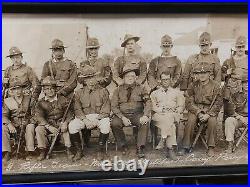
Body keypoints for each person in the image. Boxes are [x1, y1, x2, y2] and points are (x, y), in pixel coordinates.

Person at [180, 61, 223, 157]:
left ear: (209, 74)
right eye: (199, 73)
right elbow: (189, 102)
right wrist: (198, 112)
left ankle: (211, 147)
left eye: (204, 73)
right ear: (197, 75)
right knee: (190, 120)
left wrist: (208, 114)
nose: (202, 75)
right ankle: (185, 146)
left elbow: (218, 103)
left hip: (210, 110)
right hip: (196, 109)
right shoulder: (192, 85)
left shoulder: (216, 86)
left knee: (212, 121)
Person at [68, 68, 111, 160]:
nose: (90, 81)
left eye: (92, 78)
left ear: (96, 78)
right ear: (84, 80)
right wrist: (85, 120)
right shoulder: (79, 92)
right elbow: (77, 109)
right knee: (72, 125)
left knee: (106, 124)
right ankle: (79, 151)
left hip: (99, 117)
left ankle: (100, 150)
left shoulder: (103, 91)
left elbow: (106, 109)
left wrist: (97, 120)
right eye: (87, 78)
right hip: (84, 117)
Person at [111, 69, 151, 158]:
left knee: (144, 122)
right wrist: (122, 117)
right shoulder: (118, 90)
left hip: (137, 114)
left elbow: (148, 102)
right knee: (114, 123)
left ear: (136, 77)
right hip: (122, 115)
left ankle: (140, 147)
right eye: (128, 76)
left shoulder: (142, 88)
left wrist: (145, 115)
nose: (130, 78)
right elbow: (114, 106)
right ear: (124, 78)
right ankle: (123, 145)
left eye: (133, 76)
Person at [34, 76, 74, 161]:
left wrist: (66, 122)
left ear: (55, 89)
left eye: (52, 88)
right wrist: (48, 126)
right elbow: (39, 116)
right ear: (44, 90)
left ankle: (68, 149)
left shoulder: (63, 99)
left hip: (61, 122)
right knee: (38, 129)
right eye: (47, 89)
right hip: (48, 124)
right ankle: (42, 150)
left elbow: (70, 112)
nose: (50, 90)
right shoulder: (41, 102)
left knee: (65, 129)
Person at [150, 72, 185, 160]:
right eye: (163, 79)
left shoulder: (177, 93)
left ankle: (165, 142)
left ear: (171, 80)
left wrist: (176, 110)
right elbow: (153, 107)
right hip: (159, 116)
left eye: (167, 79)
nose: (165, 81)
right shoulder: (154, 93)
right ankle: (169, 148)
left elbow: (181, 106)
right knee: (171, 125)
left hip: (173, 115)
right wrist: (163, 110)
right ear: (160, 81)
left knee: (169, 118)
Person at [2, 80, 35, 163]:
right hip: (14, 124)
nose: (17, 91)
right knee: (3, 128)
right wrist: (9, 124)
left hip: (26, 123)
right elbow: (3, 115)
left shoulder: (29, 99)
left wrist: (29, 121)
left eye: (19, 88)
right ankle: (6, 152)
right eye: (14, 89)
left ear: (22, 89)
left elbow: (35, 114)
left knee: (30, 127)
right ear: (11, 91)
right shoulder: (8, 101)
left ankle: (29, 151)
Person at [221, 36, 248, 121]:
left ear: (245, 47)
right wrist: (226, 74)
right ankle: (227, 131)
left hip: (246, 90)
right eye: (238, 47)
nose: (240, 49)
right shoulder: (228, 61)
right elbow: (221, 76)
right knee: (229, 114)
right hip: (232, 91)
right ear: (235, 47)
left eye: (242, 47)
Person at [224, 73, 248, 153]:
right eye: (245, 83)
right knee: (229, 120)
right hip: (240, 118)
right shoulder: (235, 95)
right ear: (241, 84)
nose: (247, 85)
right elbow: (230, 109)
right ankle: (230, 144)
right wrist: (239, 117)